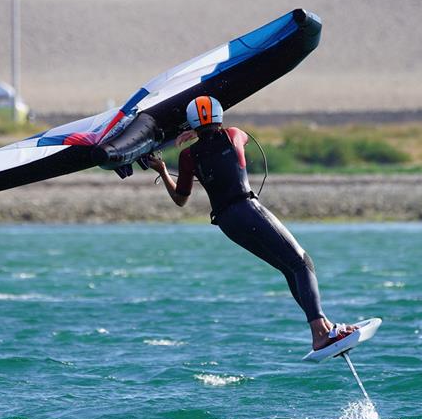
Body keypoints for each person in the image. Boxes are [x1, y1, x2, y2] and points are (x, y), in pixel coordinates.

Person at [146, 95, 355, 351]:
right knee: (302, 263)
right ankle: (321, 332)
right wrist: (197, 131)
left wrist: (163, 171)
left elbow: (181, 199)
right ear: (220, 117)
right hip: (247, 209)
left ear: (192, 122)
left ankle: (322, 330)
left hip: (227, 223)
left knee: (289, 268)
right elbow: (240, 136)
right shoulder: (234, 134)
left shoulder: (188, 156)